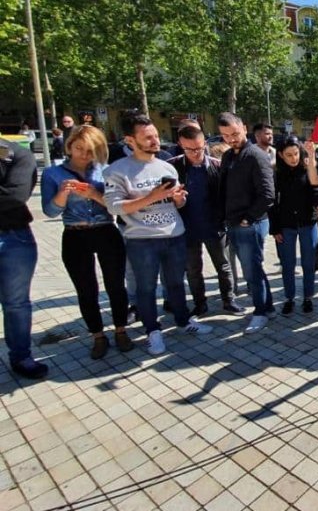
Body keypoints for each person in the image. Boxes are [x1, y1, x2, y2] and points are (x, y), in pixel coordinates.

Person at [103, 114, 212, 355]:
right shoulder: (117, 170)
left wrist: (178, 199)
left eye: (155, 135)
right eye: (148, 137)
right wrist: (151, 197)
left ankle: (183, 321)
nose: (156, 141)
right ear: (130, 140)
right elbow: (113, 207)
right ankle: (153, 331)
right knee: (146, 288)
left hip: (174, 234)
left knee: (175, 283)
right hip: (141, 239)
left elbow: (177, 204)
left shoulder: (166, 166)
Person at [41, 125, 132, 359]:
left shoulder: (105, 171)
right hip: (75, 233)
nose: (84, 154)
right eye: (79, 148)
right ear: (69, 146)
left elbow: (117, 207)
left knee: (115, 285)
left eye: (90, 150)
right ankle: (97, 335)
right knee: (86, 289)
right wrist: (62, 194)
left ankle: (121, 330)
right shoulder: (53, 173)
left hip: (105, 231)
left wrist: (93, 194)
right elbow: (49, 211)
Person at [169, 125, 244, 317]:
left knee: (223, 266)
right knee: (193, 270)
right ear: (181, 145)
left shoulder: (217, 166)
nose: (195, 153)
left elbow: (228, 196)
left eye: (199, 148)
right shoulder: (173, 167)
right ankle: (200, 304)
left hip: (214, 226)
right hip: (186, 229)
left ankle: (228, 301)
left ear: (205, 143)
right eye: (189, 149)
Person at [218, 113, 276, 333]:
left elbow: (268, 194)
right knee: (253, 269)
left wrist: (248, 218)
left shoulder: (255, 155)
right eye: (225, 135)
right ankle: (268, 307)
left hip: (250, 224)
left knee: (251, 271)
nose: (231, 139)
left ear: (244, 127)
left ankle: (260, 312)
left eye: (234, 133)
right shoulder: (229, 156)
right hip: (234, 222)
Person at [0, 137, 47, 379]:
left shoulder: (17, 154)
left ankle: (21, 356)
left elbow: (15, 196)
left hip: (13, 238)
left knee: (16, 303)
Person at [269, 139, 318, 315]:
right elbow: (272, 202)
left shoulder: (308, 169)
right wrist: (275, 228)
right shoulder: (276, 173)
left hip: (308, 223)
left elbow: (316, 191)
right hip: (285, 225)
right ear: (280, 155)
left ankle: (308, 297)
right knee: (288, 264)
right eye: (289, 155)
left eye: (296, 154)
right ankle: (289, 298)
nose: (293, 158)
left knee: (309, 264)